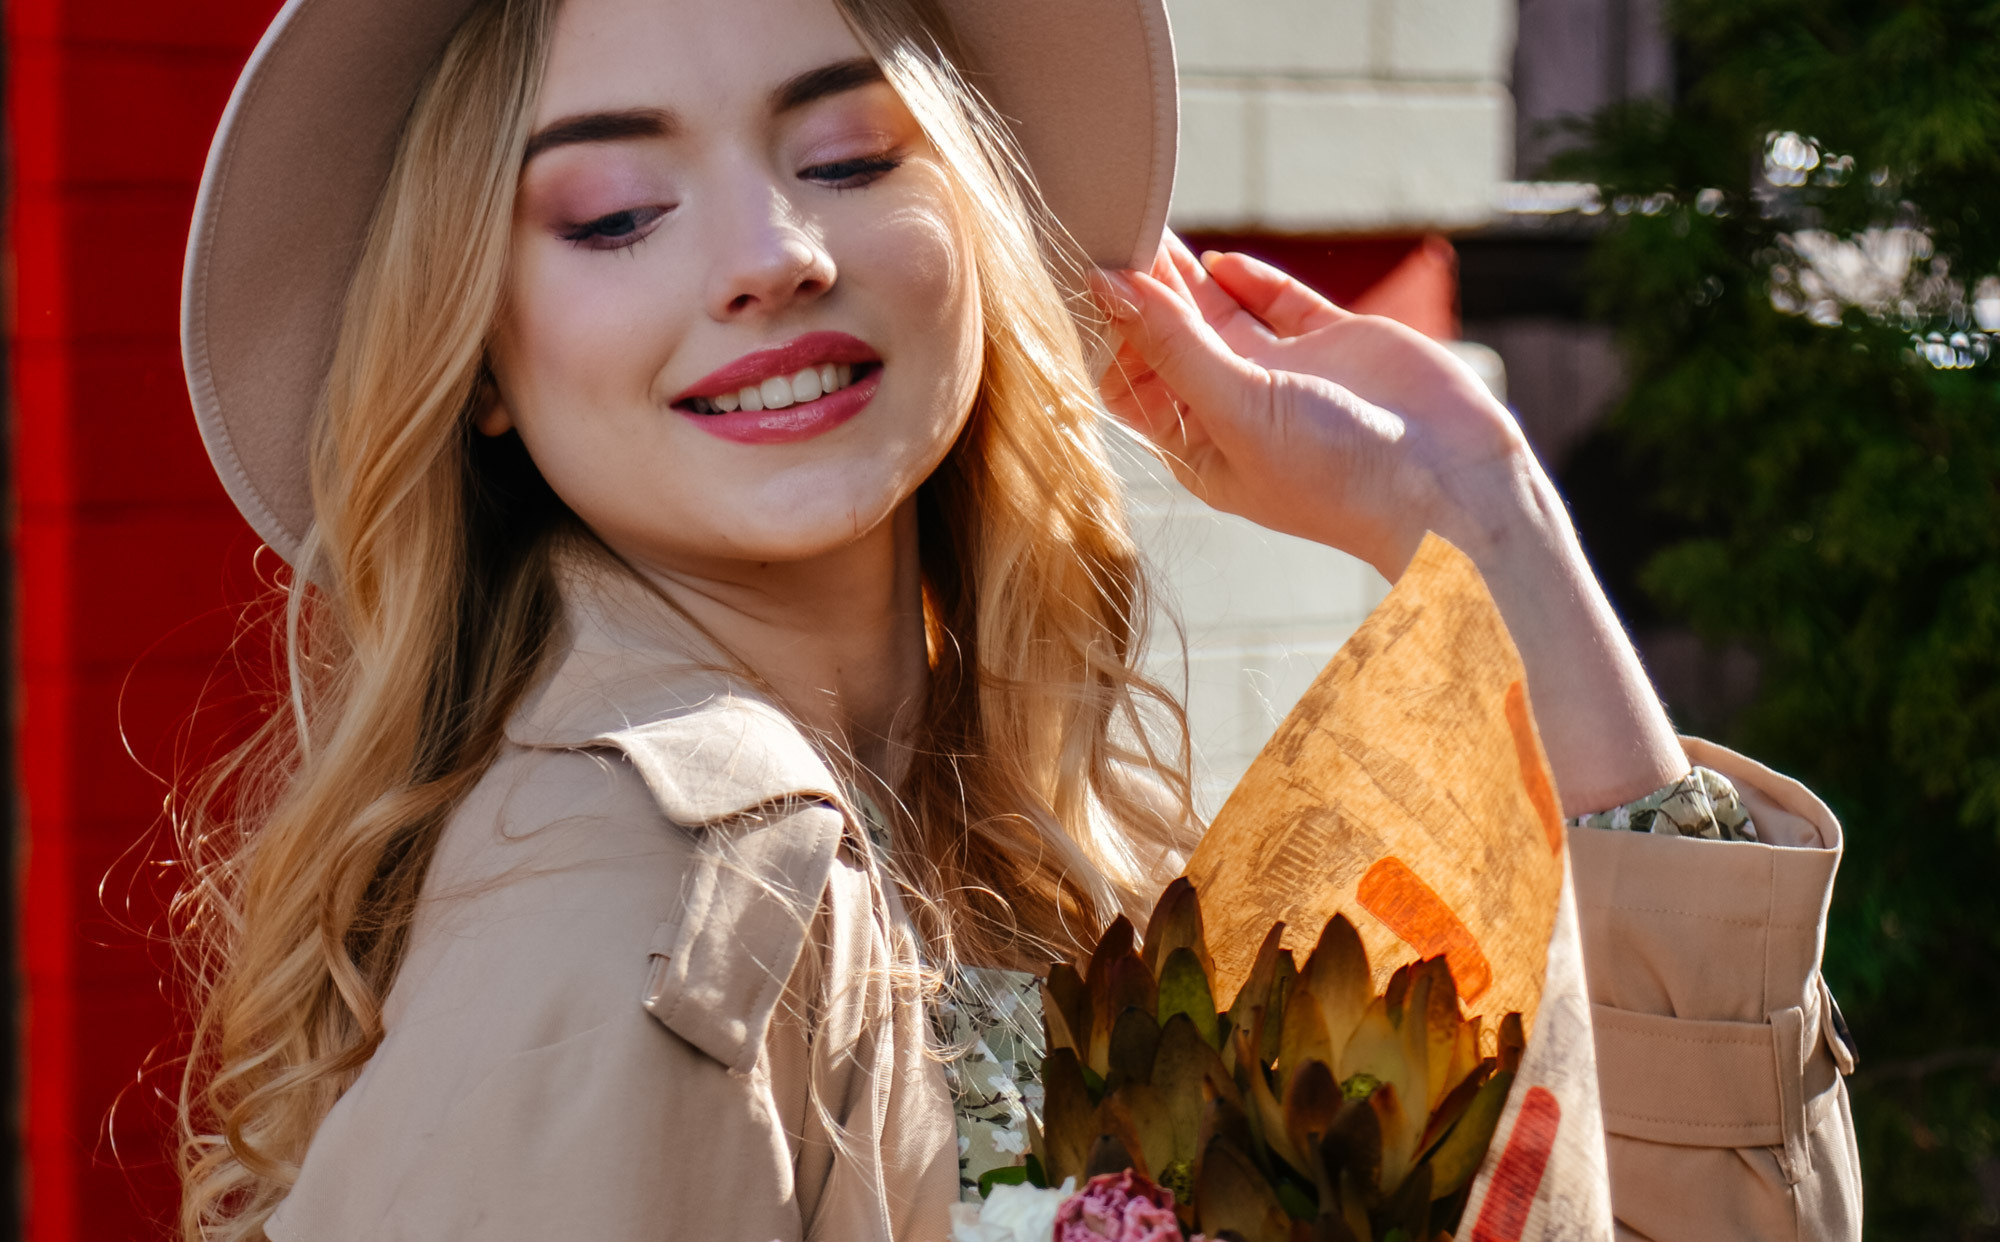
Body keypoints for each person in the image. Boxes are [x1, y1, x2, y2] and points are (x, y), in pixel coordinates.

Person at [174, 0, 1859, 1236]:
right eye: (614, 209)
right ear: (473, 356)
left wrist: (1484, 516)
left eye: (846, 154)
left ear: (968, 228)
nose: (771, 254)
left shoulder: (973, 847)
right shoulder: (669, 885)